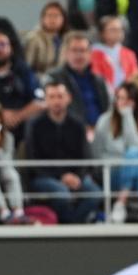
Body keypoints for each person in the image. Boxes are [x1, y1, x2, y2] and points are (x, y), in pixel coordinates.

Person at [25, 80, 100, 223]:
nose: (56, 101)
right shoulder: (35, 125)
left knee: (95, 193)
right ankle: (69, 228)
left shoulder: (78, 124)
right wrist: (61, 176)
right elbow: (33, 161)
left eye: (60, 96)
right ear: (45, 99)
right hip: (44, 176)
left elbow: (85, 157)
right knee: (61, 194)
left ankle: (71, 225)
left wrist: (77, 176)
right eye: (52, 97)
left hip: (75, 175)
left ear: (68, 98)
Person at [92, 81, 138, 223]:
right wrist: (124, 162)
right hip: (111, 173)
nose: (121, 103)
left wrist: (127, 117)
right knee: (137, 159)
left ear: (135, 102)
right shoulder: (105, 120)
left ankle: (120, 203)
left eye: (126, 99)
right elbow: (97, 154)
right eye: (119, 98)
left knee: (135, 154)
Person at [0, 31, 44, 140]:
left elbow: (40, 102)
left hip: (23, 129)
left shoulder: (24, 70)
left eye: (2, 44)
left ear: (11, 47)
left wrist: (18, 116)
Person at [46, 31, 110, 130]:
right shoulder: (54, 78)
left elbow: (107, 109)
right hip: (69, 132)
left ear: (89, 54)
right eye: (74, 50)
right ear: (66, 53)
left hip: (100, 132)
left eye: (83, 50)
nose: (79, 55)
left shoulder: (99, 80)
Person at [90, 15, 138, 93]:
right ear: (102, 33)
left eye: (120, 29)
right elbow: (96, 77)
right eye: (113, 30)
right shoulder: (94, 53)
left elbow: (135, 76)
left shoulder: (129, 53)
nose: (118, 33)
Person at [24, 1, 68, 76]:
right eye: (49, 15)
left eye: (56, 16)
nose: (52, 19)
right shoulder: (33, 38)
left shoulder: (67, 39)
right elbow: (27, 67)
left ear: (63, 19)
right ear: (42, 19)